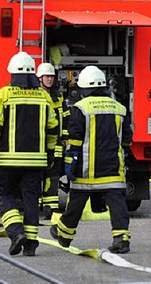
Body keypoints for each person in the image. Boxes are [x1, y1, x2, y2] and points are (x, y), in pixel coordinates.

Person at [0, 51, 58, 258]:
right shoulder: (44, 96)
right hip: (36, 161)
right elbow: (53, 128)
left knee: (4, 194)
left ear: (12, 73)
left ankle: (16, 233)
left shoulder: (4, 94)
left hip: (9, 160)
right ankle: (31, 245)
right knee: (32, 200)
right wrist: (50, 154)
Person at [51, 65, 132, 253]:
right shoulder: (119, 108)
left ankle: (64, 235)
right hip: (113, 169)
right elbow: (127, 139)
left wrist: (70, 164)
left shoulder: (81, 108)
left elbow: (74, 140)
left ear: (84, 88)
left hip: (87, 170)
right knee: (117, 205)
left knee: (76, 203)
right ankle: (121, 239)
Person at [36, 62, 69, 218]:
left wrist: (65, 138)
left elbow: (66, 118)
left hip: (56, 144)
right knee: (37, 176)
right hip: (39, 144)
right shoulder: (36, 95)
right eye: (46, 76)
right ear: (40, 78)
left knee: (53, 175)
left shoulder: (58, 97)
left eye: (51, 77)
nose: (49, 79)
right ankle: (38, 205)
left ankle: (51, 208)